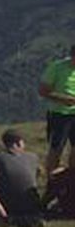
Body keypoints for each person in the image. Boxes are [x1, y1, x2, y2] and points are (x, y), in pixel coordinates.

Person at [0, 128, 42, 222]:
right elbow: (38, 173)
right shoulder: (33, 157)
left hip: (7, 206)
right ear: (18, 143)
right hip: (33, 205)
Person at [39, 44, 75, 179]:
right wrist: (63, 99)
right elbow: (43, 91)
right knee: (56, 149)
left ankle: (71, 181)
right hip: (60, 114)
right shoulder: (57, 67)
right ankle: (52, 180)